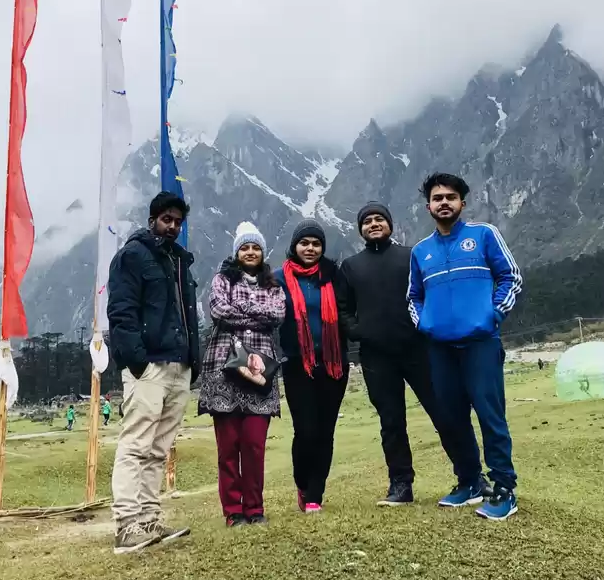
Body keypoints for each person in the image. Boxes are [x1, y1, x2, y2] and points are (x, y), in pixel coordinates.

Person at [408, 173, 522, 521]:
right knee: (452, 418)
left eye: (451, 197)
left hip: (480, 343)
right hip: (440, 348)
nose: (444, 202)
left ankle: (504, 489)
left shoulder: (484, 235)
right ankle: (470, 482)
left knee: (491, 416)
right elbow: (414, 297)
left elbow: (511, 277)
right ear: (428, 206)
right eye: (437, 197)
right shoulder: (420, 251)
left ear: (462, 203)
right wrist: (426, 325)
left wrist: (493, 315)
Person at [341, 202, 466, 507]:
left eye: (379, 219)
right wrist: (358, 331)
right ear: (360, 229)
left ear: (390, 224)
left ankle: (469, 477)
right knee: (391, 422)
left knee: (444, 412)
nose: (373, 224)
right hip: (375, 357)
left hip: (418, 349)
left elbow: (431, 293)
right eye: (367, 220)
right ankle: (401, 486)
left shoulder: (411, 256)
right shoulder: (351, 266)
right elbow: (343, 309)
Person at [107, 191, 200, 554]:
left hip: (179, 365)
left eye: (178, 222)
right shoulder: (133, 256)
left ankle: (149, 519)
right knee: (136, 443)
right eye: (167, 220)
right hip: (149, 366)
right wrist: (136, 361)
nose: (172, 227)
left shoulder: (179, 262)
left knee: (159, 448)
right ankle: (126, 526)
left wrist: (191, 359)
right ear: (152, 220)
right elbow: (122, 311)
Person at [198, 222, 286, 527]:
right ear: (237, 253)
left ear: (263, 252)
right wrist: (255, 314)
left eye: (255, 247)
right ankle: (233, 512)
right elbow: (218, 310)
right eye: (245, 247)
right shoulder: (222, 279)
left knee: (253, 443)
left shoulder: (273, 284)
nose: (250, 252)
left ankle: (255, 508)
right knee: (228, 445)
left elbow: (278, 315)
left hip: (261, 368)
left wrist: (243, 310)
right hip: (224, 368)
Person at [276, 220, 351, 514]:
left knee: (326, 431)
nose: (310, 248)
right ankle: (302, 483)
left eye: (316, 243)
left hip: (334, 364)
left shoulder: (333, 275)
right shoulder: (279, 278)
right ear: (294, 246)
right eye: (304, 243)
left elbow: (347, 310)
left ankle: (315, 495)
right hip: (297, 364)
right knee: (306, 430)